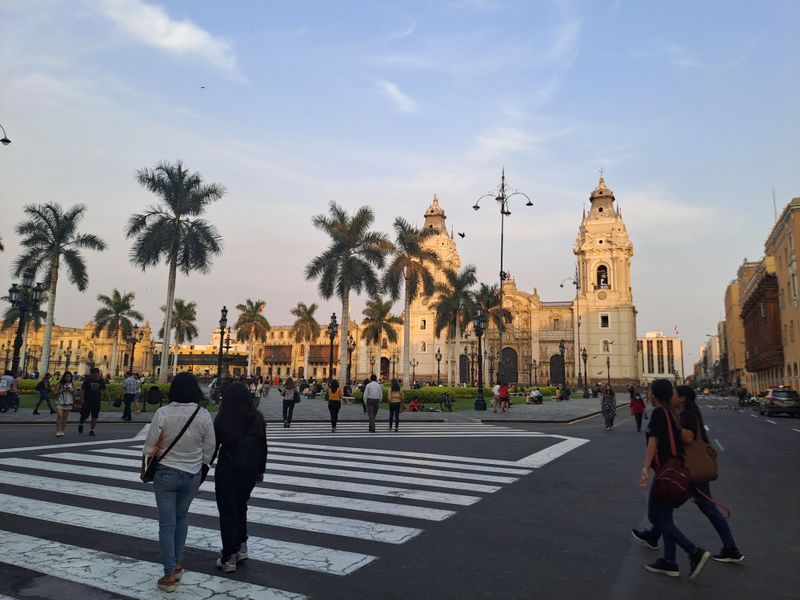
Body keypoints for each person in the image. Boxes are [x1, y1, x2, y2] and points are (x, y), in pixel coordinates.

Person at [633, 385, 744, 564]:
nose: (672, 398)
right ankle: (656, 540)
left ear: (682, 398)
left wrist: (674, 423)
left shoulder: (687, 415)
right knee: (666, 510)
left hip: (689, 470)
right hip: (684, 468)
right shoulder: (682, 413)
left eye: (675, 395)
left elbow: (688, 438)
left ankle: (729, 548)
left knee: (706, 509)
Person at [142, 372, 215, 592]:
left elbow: (149, 446)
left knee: (167, 524)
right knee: (182, 517)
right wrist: (201, 471)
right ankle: (178, 564)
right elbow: (209, 449)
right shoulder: (203, 415)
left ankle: (168, 575)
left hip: (165, 474)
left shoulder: (163, 413)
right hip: (192, 474)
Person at [638, 379, 711, 579]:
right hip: (675, 469)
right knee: (665, 518)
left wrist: (646, 468)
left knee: (656, 517)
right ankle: (669, 561)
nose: (648, 394)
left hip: (666, 472)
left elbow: (653, 442)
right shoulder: (672, 413)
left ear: (655, 394)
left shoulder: (659, 413)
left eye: (650, 391)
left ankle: (694, 552)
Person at [214, 383, 267, 573]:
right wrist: (260, 470)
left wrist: (204, 468)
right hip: (250, 472)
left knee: (228, 511)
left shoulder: (223, 417)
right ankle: (242, 547)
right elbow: (263, 445)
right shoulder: (257, 418)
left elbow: (214, 445)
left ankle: (229, 557)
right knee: (241, 506)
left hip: (228, 470)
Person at [78, 368, 107, 436]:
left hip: (96, 401)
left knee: (95, 416)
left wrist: (108, 397)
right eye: (94, 373)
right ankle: (81, 424)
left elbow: (104, 389)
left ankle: (92, 430)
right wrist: (81, 399)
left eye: (97, 373)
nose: (95, 375)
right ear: (91, 374)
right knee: (84, 415)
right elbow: (82, 390)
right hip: (87, 400)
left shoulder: (101, 381)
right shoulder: (87, 380)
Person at [54, 372, 75, 437]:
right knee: (60, 416)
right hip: (60, 402)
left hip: (68, 403)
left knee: (64, 418)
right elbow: (55, 393)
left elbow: (75, 394)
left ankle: (62, 430)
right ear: (64, 377)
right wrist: (63, 390)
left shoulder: (73, 384)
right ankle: (58, 431)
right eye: (67, 377)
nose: (68, 378)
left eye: (69, 377)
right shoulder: (60, 384)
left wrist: (71, 391)